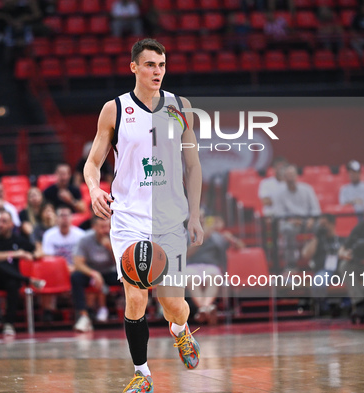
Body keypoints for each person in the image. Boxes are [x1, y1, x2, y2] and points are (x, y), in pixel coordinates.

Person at [83, 38, 204, 392]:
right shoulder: (114, 109)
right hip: (129, 217)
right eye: (150, 65)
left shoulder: (181, 106)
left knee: (174, 305)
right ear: (134, 67)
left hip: (169, 219)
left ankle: (180, 331)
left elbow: (193, 166)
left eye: (162, 65)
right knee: (136, 297)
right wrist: (93, 189)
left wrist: (194, 214)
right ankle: (142, 373)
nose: (157, 71)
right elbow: (92, 163)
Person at [0, 211, 45, 336]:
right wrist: (14, 254)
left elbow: (39, 250)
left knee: (13, 283)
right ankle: (27, 279)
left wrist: (32, 255)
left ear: (11, 224)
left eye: (4, 222)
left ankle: (9, 323)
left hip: (9, 279)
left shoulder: (18, 239)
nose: (0, 224)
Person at [186, 213, 243, 325]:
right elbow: (186, 254)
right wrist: (201, 239)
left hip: (211, 266)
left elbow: (241, 246)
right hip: (192, 266)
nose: (201, 220)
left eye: (203, 217)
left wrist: (231, 239)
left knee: (212, 279)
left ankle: (203, 309)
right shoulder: (188, 235)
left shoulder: (217, 236)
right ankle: (207, 308)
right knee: (192, 280)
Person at [71, 216, 118, 331]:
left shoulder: (115, 237)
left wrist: (110, 248)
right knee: (75, 277)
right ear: (94, 227)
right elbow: (78, 263)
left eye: (107, 227)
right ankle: (83, 316)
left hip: (110, 272)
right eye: (102, 227)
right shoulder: (85, 239)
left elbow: (121, 263)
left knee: (128, 278)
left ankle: (133, 314)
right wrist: (94, 274)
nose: (105, 230)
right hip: (91, 271)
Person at [274, 164, 321, 273]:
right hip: (291, 222)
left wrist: (312, 220)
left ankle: (318, 260)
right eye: (287, 176)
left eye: (292, 175)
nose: (290, 178)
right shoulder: (279, 194)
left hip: (308, 220)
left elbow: (316, 209)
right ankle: (291, 263)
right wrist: (292, 220)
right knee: (287, 229)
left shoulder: (307, 189)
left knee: (320, 227)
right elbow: (279, 214)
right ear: (284, 178)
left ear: (296, 176)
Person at [301, 214, 343, 314]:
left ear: (332, 224)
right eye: (320, 225)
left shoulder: (342, 240)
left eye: (324, 224)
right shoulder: (317, 240)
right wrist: (316, 237)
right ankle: (322, 307)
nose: (322, 227)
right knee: (318, 280)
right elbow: (306, 254)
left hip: (341, 270)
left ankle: (347, 304)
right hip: (325, 270)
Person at [42, 206, 86, 271]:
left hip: (77, 269)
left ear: (71, 217)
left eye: (67, 215)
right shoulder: (49, 235)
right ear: (56, 218)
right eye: (62, 215)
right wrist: (63, 268)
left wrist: (75, 267)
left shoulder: (81, 234)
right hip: (56, 269)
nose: (64, 218)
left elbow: (84, 257)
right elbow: (48, 257)